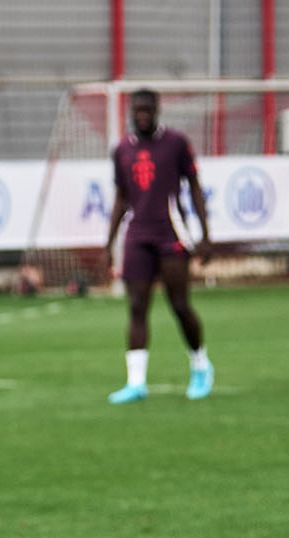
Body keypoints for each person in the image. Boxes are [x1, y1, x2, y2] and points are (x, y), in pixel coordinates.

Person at [103, 89, 214, 404]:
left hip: (170, 233)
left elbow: (193, 187)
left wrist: (205, 235)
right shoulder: (121, 150)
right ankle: (136, 382)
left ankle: (201, 366)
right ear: (130, 111)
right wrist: (108, 244)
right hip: (137, 235)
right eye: (136, 109)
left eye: (147, 109)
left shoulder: (176, 143)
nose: (142, 114)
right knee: (137, 306)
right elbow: (121, 198)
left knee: (179, 304)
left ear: (157, 109)